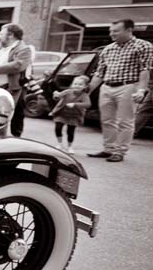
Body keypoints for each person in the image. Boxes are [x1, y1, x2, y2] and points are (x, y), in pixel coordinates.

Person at [86, 18, 152, 162]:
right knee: (107, 120)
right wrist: (88, 90)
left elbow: (145, 70)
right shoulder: (108, 49)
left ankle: (120, 151)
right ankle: (108, 148)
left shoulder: (143, 46)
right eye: (111, 31)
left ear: (129, 30)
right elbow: (99, 73)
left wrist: (141, 90)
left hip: (128, 86)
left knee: (125, 121)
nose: (112, 34)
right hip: (107, 86)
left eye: (116, 31)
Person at [0, 23, 33, 137]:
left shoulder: (24, 49)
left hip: (8, 88)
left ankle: (5, 141)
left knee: (3, 115)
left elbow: (18, 66)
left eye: (1, 34)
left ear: (11, 35)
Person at [49, 75, 92, 153]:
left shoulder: (84, 95)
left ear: (85, 86)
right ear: (72, 84)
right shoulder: (67, 91)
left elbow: (88, 104)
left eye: (80, 84)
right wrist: (56, 95)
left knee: (70, 131)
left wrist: (75, 104)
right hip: (62, 113)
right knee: (58, 128)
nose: (77, 86)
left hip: (74, 116)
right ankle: (60, 144)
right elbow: (58, 97)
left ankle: (70, 147)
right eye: (75, 84)